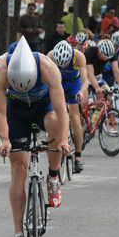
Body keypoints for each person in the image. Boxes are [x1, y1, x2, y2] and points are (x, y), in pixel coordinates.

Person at [0, 36, 71, 237]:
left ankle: (53, 177)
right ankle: (18, 234)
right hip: (16, 110)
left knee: (54, 123)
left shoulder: (47, 67)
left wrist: (63, 140)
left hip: (42, 106)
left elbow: (62, 108)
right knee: (18, 170)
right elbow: (0, 112)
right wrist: (5, 140)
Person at [48, 40, 88, 173]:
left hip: (74, 85)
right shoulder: (51, 56)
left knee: (75, 119)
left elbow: (85, 81)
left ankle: (78, 157)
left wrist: (81, 93)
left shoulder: (79, 57)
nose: (63, 67)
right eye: (61, 64)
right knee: (54, 116)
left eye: (65, 63)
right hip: (58, 84)